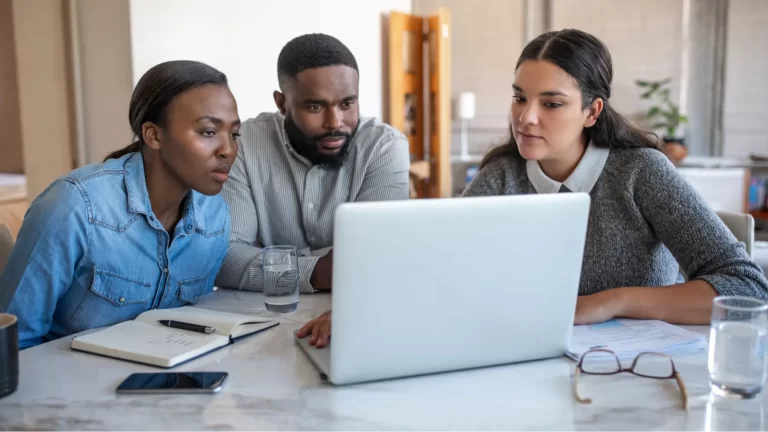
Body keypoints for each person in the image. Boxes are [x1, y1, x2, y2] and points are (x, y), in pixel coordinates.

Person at [461, 29, 768, 325]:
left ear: (592, 112)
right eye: (519, 98)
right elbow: (448, 277)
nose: (526, 117)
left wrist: (613, 302)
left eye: (551, 104)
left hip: (641, 368)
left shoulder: (643, 172)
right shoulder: (498, 178)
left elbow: (747, 288)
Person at [0, 60, 241, 348]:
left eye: (234, 134)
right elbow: (13, 342)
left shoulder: (214, 216)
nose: (228, 150)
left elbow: (190, 329)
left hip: (160, 384)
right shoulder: (74, 207)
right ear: (153, 135)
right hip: (67, 386)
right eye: (208, 132)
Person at [215, 33, 410, 295]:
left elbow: (377, 259)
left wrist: (269, 266)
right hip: (263, 315)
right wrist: (316, 271)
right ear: (282, 103)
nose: (335, 122)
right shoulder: (245, 144)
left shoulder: (383, 146)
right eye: (316, 107)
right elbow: (223, 259)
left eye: (347, 103)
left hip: (358, 306)